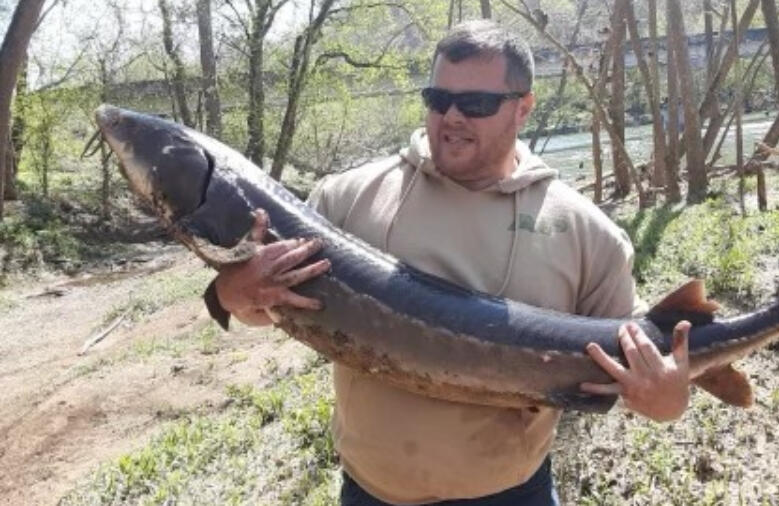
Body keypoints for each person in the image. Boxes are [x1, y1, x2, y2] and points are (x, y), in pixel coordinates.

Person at [208, 20, 691, 506]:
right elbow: (268, 309)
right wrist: (232, 294)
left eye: (476, 104)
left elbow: (639, 362)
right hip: (370, 492)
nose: (452, 116)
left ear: (524, 108)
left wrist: (668, 399)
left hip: (512, 494)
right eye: (438, 99)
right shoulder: (345, 198)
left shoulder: (586, 232)